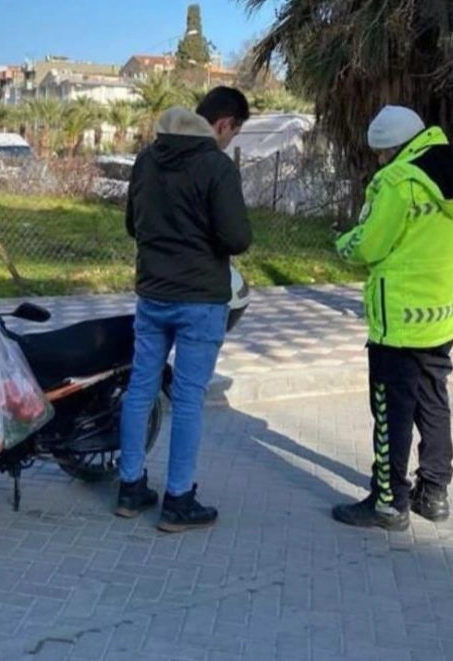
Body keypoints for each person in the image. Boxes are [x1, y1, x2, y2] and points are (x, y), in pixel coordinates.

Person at [332, 105, 453, 531]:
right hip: (443, 314)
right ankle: (434, 492)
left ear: (394, 148)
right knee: (433, 398)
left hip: (398, 319)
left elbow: (370, 245)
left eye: (382, 153)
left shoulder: (399, 182)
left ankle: (388, 502)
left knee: (390, 409)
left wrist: (343, 243)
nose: (380, 161)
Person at [117, 87, 253, 533]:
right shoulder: (216, 166)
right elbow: (237, 239)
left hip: (152, 294)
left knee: (141, 389)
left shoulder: (147, 160)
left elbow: (132, 225)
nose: (231, 141)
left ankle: (130, 486)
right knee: (189, 398)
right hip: (200, 300)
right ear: (224, 124)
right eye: (234, 133)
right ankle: (178, 499)